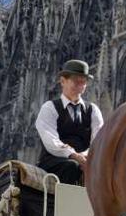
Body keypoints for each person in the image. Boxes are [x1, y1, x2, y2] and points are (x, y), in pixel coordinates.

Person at [34, 60, 104, 188]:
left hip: (85, 159)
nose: (80, 85)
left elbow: (98, 140)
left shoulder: (93, 110)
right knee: (72, 166)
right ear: (62, 81)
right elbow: (50, 140)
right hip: (54, 160)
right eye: (76, 81)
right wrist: (73, 155)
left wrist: (84, 156)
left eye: (83, 82)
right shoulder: (50, 107)